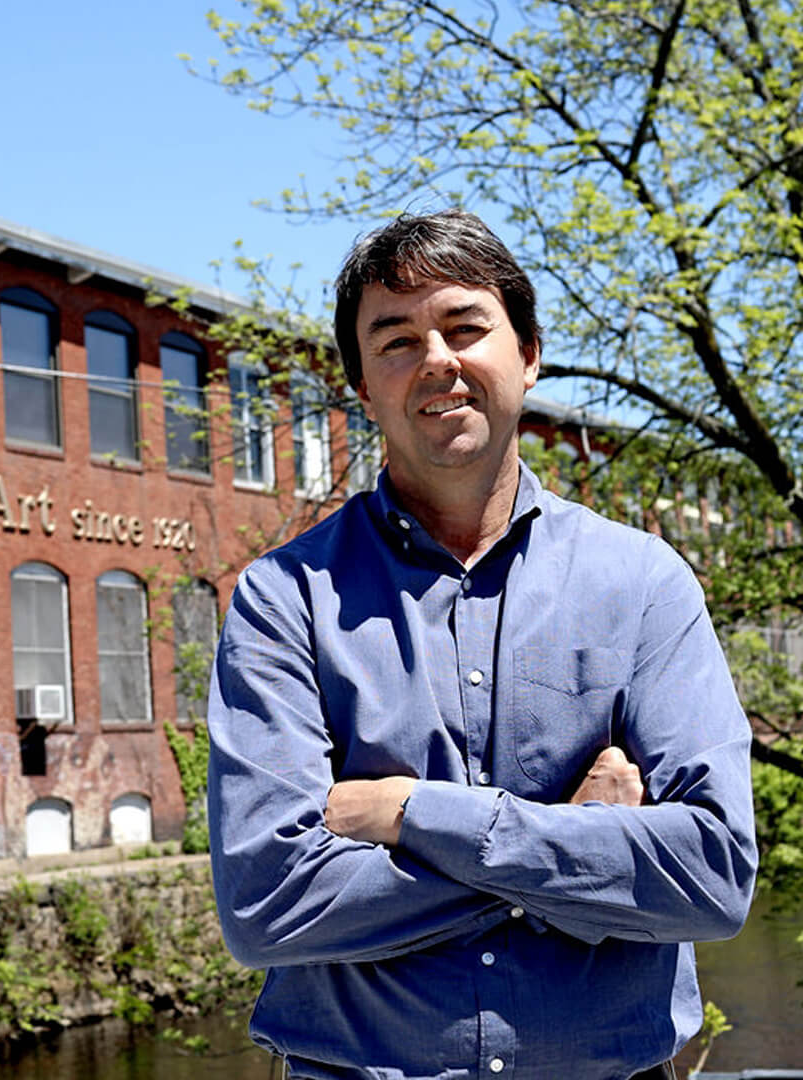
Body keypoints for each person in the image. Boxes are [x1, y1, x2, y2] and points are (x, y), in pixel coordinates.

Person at [207, 210, 756, 1080]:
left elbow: (713, 878)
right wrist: (573, 843)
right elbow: (268, 904)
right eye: (396, 340)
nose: (436, 360)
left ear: (528, 353)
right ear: (361, 386)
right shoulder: (285, 602)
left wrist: (411, 815)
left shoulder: (646, 585)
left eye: (466, 327)